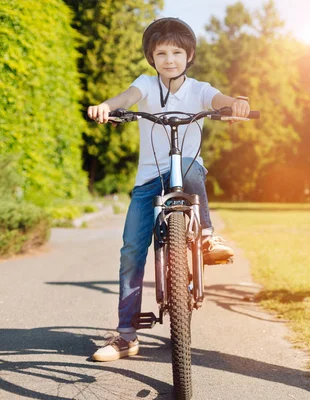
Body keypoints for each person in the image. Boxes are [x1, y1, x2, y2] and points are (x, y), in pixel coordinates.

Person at [87, 17, 250, 361]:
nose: (169, 59)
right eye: (161, 53)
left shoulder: (199, 89)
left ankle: (206, 235)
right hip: (149, 180)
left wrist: (235, 103)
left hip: (187, 172)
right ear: (152, 57)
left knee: (191, 167)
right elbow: (127, 96)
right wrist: (108, 106)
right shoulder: (146, 84)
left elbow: (220, 98)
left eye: (177, 52)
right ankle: (126, 334)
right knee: (132, 250)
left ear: (189, 56)